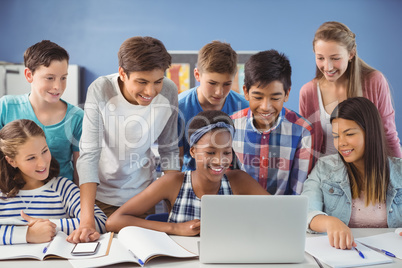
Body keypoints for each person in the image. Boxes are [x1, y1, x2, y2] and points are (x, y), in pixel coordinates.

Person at [67, 36, 180, 243]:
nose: (151, 91)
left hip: (143, 199)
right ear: (122, 73)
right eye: (142, 82)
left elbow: (169, 150)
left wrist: (176, 213)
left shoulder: (169, 91)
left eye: (158, 81)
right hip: (99, 198)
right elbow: (89, 154)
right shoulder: (101, 89)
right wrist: (86, 220)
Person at [106, 110, 268, 235]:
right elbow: (114, 221)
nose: (220, 161)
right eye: (210, 153)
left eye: (226, 152)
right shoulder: (173, 183)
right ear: (192, 151)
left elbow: (279, 213)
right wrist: (175, 228)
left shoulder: (239, 180)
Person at [301, 97, 402, 250]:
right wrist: (330, 222)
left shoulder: (399, 171)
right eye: (336, 136)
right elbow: (306, 211)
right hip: (343, 254)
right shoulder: (324, 168)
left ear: (371, 133)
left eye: (349, 134)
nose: (340, 143)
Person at [299, 21, 401, 161]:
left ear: (351, 54)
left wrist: (399, 175)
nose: (328, 67)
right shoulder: (308, 92)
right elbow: (306, 144)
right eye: (320, 58)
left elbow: (388, 135)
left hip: (367, 172)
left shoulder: (374, 81)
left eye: (335, 58)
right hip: (325, 175)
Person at [0, 119, 106, 245]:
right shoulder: (2, 195)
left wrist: (49, 225)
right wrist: (29, 234)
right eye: (31, 158)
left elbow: (100, 221)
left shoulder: (63, 188)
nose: (42, 163)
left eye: (44, 151)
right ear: (12, 161)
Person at [231, 50, 314, 195]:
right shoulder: (231, 125)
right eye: (258, 97)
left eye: (275, 98)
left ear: (287, 94)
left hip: (283, 214)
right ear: (246, 92)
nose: (265, 107)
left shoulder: (302, 131)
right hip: (238, 213)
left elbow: (298, 192)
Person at [0, 40, 84, 183]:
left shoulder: (76, 117)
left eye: (63, 78)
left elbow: (81, 172)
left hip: (61, 196)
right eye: (50, 78)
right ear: (29, 75)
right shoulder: (6, 107)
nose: (58, 86)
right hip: (16, 194)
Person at [178, 41, 249, 171]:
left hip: (232, 183)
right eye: (212, 83)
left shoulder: (244, 108)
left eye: (227, 84)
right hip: (191, 182)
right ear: (197, 74)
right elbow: (175, 162)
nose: (219, 92)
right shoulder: (179, 108)